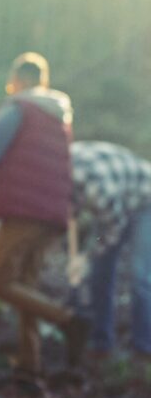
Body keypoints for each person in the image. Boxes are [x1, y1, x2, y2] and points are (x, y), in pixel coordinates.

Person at [0, 52, 88, 376]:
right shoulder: (59, 116)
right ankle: (30, 364)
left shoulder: (19, 108)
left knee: (1, 283)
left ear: (18, 80)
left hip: (23, 213)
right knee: (26, 286)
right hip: (53, 214)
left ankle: (68, 321)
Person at [70, 141, 151, 360]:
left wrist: (87, 256)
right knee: (100, 273)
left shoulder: (98, 189)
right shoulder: (62, 169)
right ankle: (101, 343)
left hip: (145, 201)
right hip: (120, 198)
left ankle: (144, 348)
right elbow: (71, 216)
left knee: (140, 276)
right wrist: (75, 256)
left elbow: (113, 227)